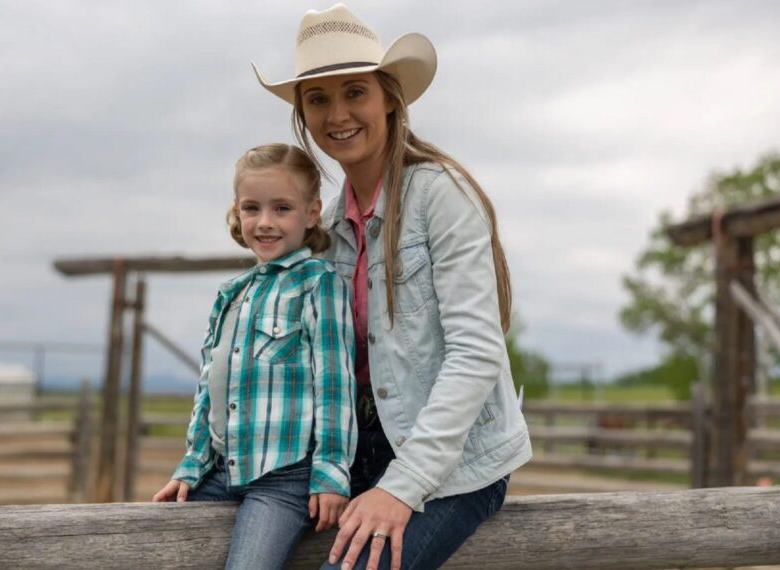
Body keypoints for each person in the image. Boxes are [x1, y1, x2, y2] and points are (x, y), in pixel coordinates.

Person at [252, 5, 532, 569]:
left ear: (389, 98)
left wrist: (402, 486)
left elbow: (477, 354)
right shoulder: (328, 228)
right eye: (318, 99)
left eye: (354, 92)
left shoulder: (440, 196)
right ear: (304, 114)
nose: (338, 114)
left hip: (454, 463)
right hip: (363, 452)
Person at [153, 143, 358, 570]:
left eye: (282, 208)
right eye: (252, 208)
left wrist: (331, 474)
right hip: (221, 473)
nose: (265, 222)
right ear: (237, 212)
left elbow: (335, 387)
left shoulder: (318, 284)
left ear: (312, 212)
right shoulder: (232, 293)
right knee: (152, 544)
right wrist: (191, 466)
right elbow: (210, 388)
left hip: (282, 480)